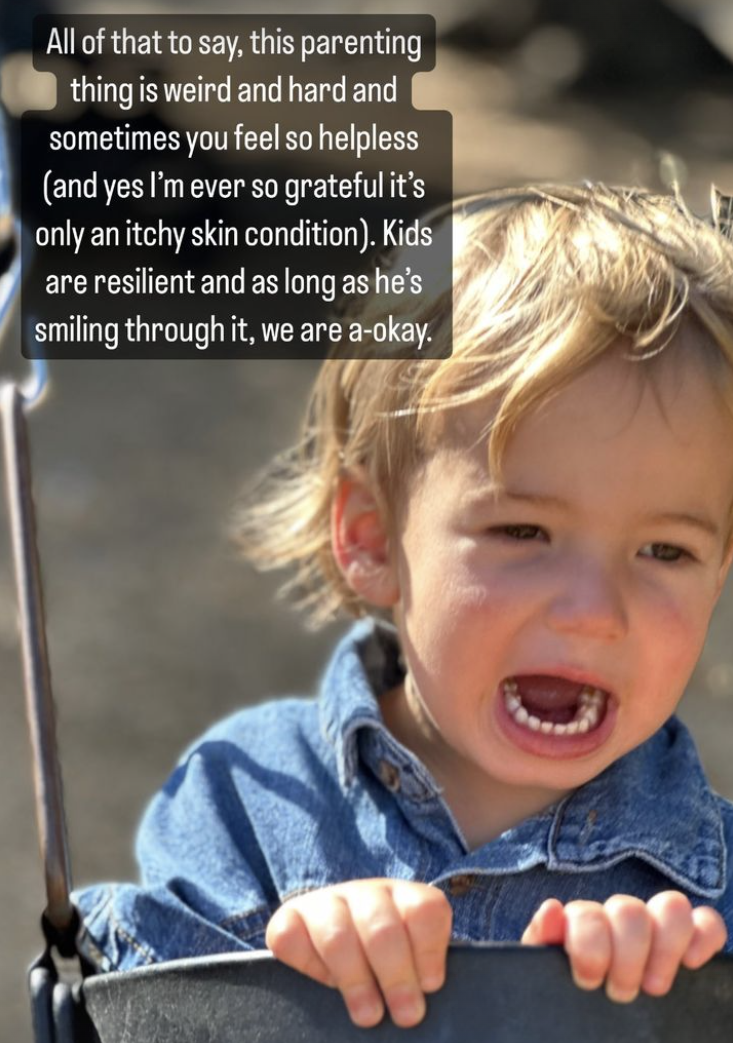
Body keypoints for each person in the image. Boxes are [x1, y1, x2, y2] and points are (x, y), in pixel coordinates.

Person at [75, 184, 733, 1029]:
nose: (594, 610)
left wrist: (679, 1011)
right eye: (523, 530)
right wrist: (269, 987)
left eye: (664, 551)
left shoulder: (705, 908)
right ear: (373, 540)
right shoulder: (252, 800)